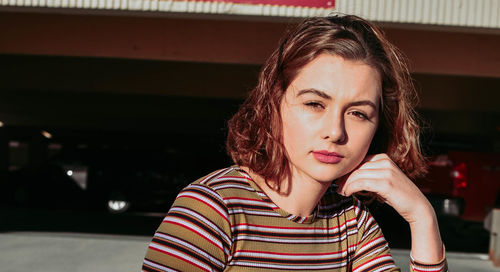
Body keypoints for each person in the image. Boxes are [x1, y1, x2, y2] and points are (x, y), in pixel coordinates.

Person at [142, 14, 447, 272]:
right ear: (273, 102)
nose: (335, 131)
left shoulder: (351, 224)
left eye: (357, 113)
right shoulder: (213, 209)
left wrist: (422, 217)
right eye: (315, 104)